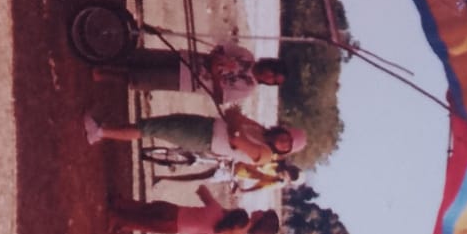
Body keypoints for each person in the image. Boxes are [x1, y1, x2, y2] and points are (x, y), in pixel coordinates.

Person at [84, 109, 306, 165]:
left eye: (287, 146)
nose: (283, 142)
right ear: (284, 131)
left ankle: (99, 133)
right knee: (156, 124)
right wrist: (235, 124)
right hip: (207, 126)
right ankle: (104, 130)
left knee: (152, 129)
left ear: (284, 152)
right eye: (286, 137)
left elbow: (236, 139)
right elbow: (233, 115)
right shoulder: (264, 132)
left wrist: (235, 124)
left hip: (204, 138)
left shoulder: (266, 154)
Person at [93, 43, 286, 104]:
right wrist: (216, 58)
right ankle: (103, 57)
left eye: (272, 82)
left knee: (144, 78)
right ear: (270, 64)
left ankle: (103, 75)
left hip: (187, 81)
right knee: (144, 57)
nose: (269, 78)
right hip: (187, 58)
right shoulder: (247, 56)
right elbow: (220, 47)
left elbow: (220, 99)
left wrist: (216, 76)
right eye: (273, 73)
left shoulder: (248, 89)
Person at [106, 186, 279, 234]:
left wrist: (210, 198)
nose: (261, 210)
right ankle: (119, 222)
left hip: (175, 210)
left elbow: (202, 191)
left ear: (260, 220)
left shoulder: (217, 210)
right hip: (175, 227)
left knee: (147, 209)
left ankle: (120, 204)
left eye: (263, 213)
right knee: (145, 224)